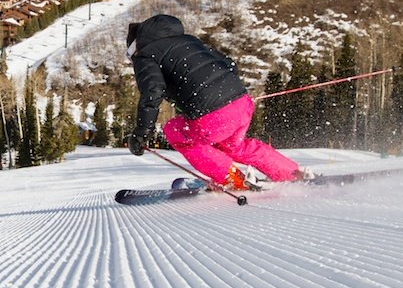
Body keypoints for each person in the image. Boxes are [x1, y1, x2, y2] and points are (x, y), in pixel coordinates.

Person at [125, 14, 305, 189]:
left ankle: (232, 178)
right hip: (241, 102)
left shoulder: (146, 55)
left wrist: (141, 133)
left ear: (135, 46)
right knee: (235, 146)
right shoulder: (190, 41)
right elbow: (230, 64)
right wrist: (227, 95)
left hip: (212, 115)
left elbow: (153, 91)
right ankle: (292, 174)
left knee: (176, 131)